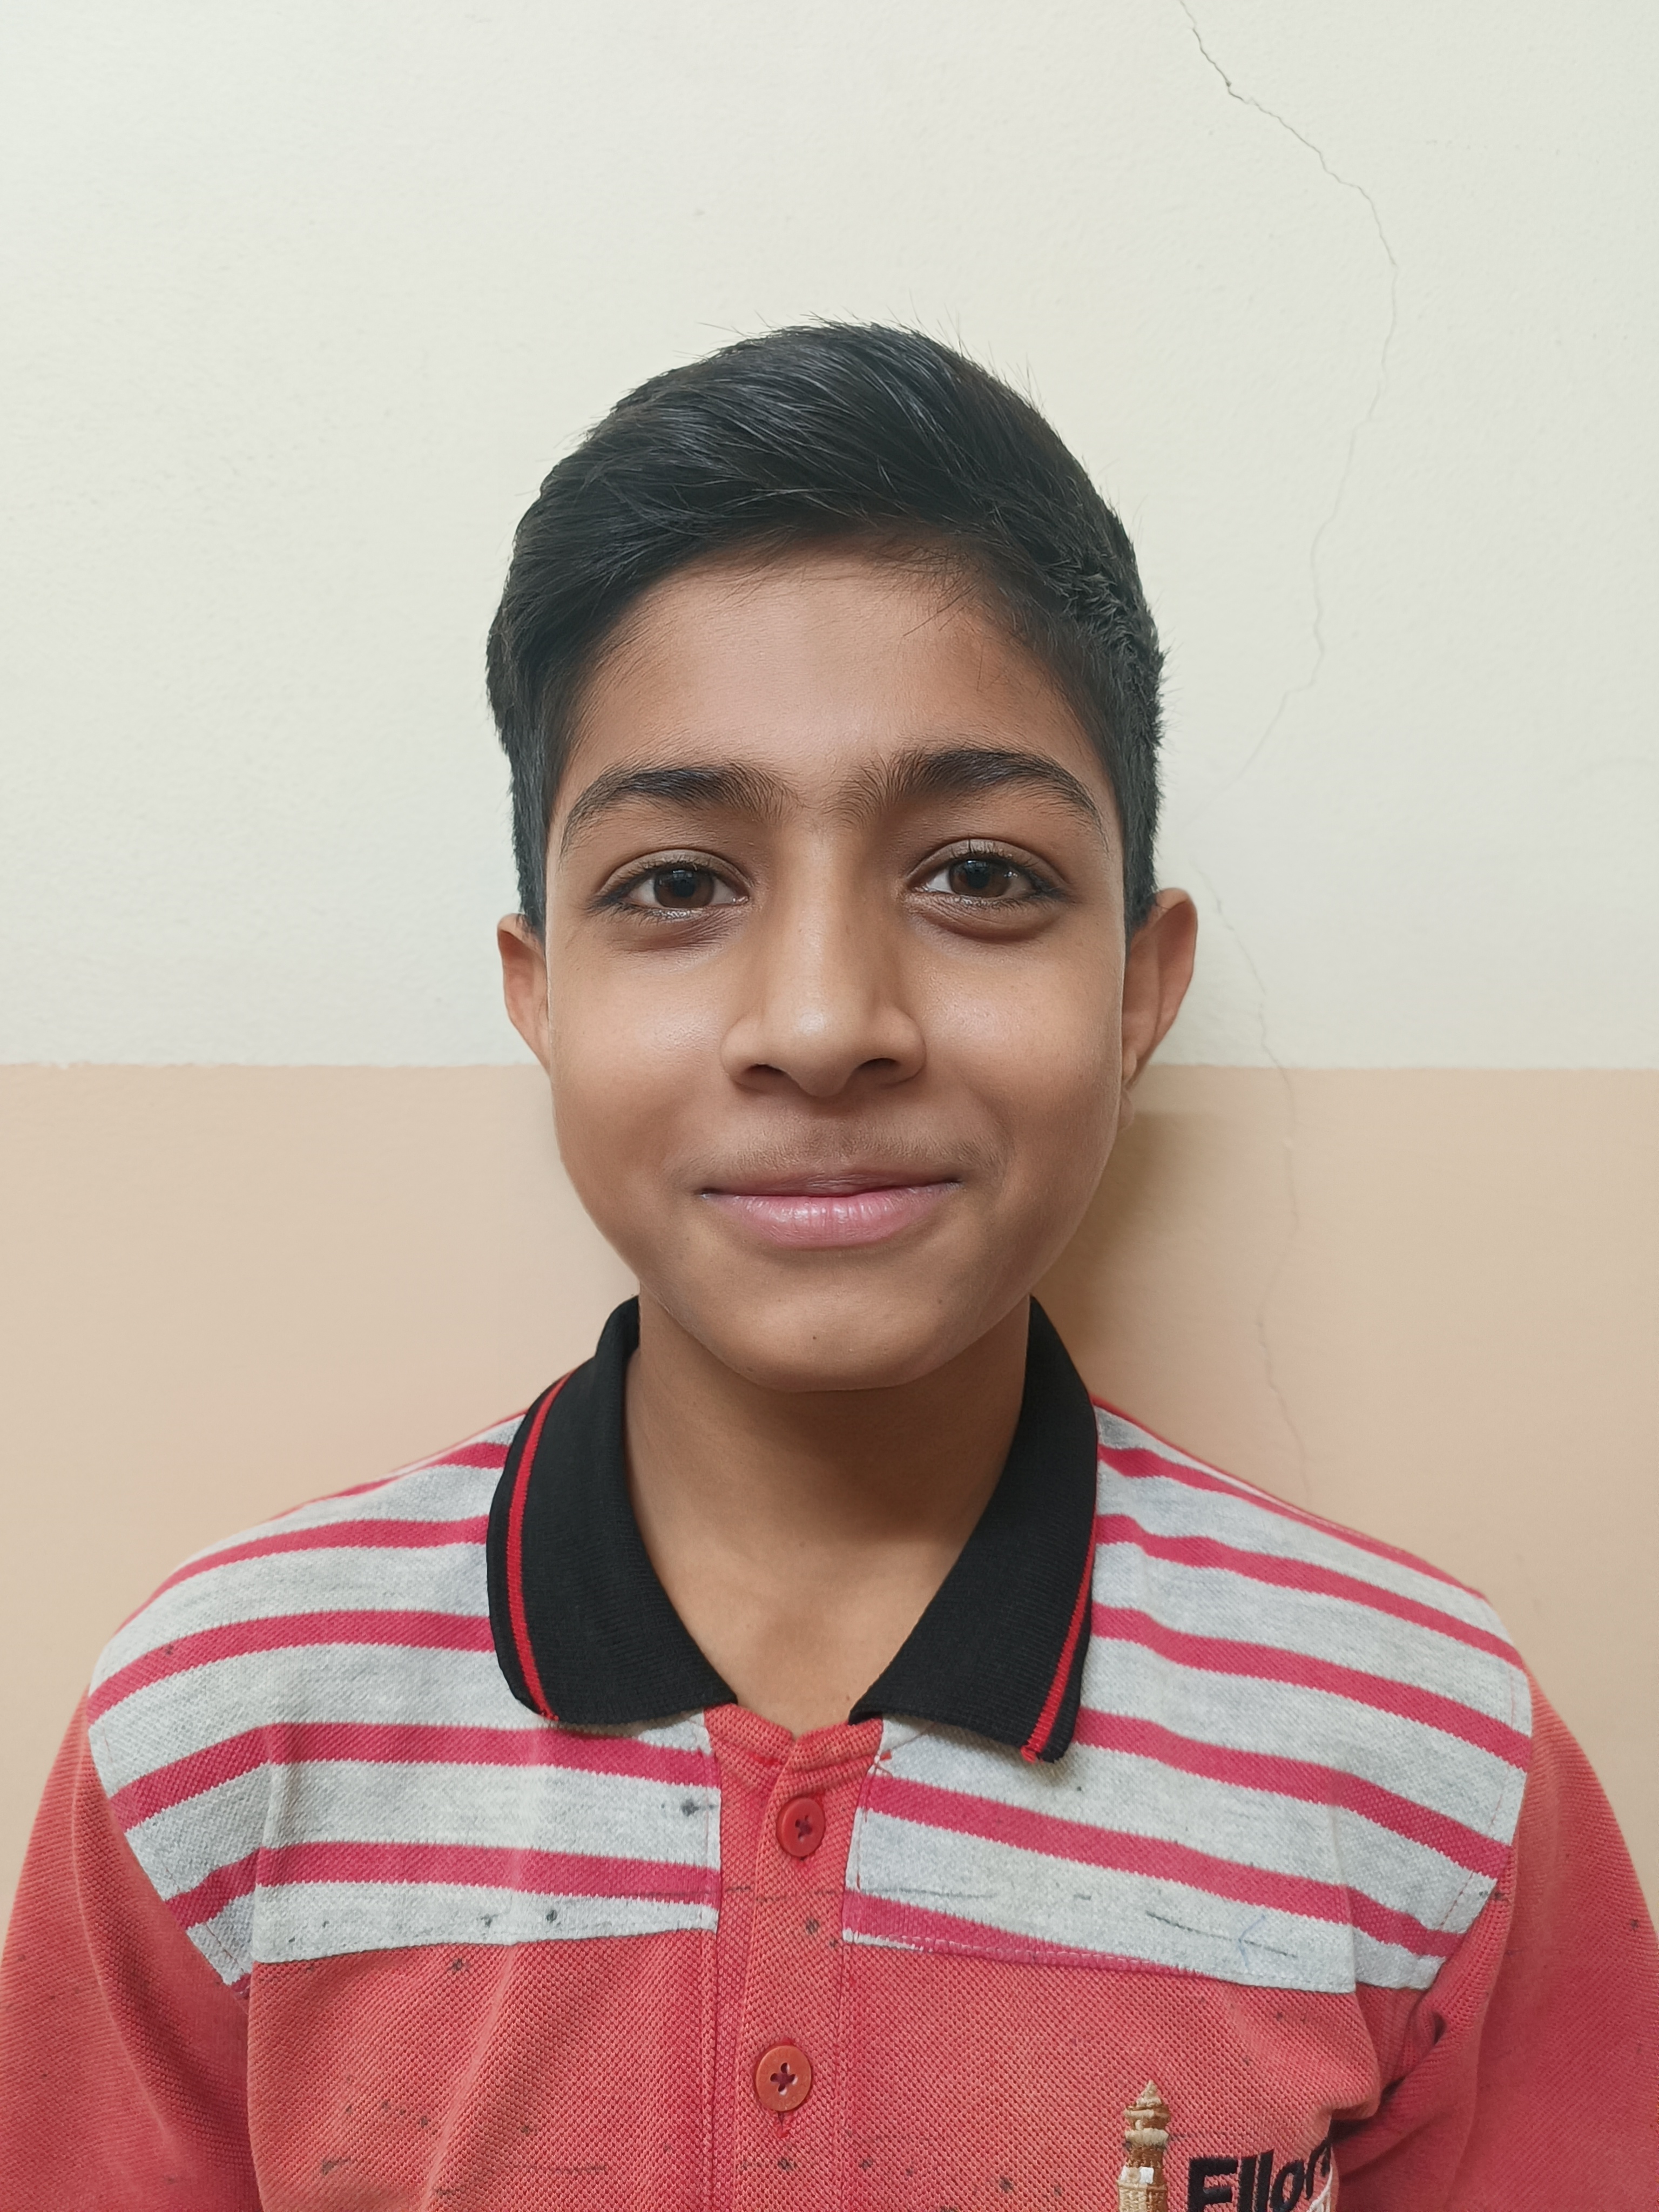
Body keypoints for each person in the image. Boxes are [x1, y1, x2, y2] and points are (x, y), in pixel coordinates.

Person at [1, 325, 1652, 2208]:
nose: (821, 1022)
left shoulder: (1431, 1767)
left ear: (1140, 987)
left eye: (979, 875)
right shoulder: (220, 1746)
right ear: (540, 994)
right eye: (677, 885)